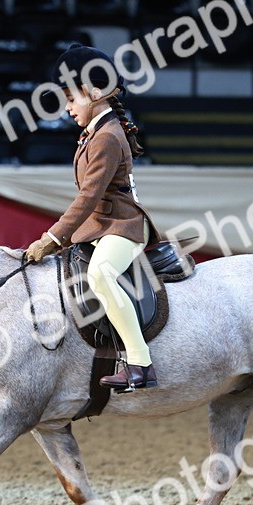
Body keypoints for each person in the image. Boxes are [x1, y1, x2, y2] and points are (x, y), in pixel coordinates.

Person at [25, 43, 160, 391]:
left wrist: (52, 238)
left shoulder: (107, 137)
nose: (67, 108)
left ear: (95, 93)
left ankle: (139, 363)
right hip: (102, 226)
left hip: (124, 226)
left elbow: (88, 197)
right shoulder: (96, 132)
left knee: (101, 274)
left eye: (72, 99)